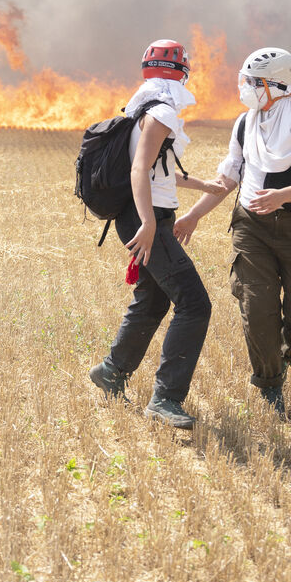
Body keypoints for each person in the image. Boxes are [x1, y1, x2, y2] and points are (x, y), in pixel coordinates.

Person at [173, 47, 291, 418]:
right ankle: (270, 381)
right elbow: (228, 179)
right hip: (251, 227)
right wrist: (194, 215)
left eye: (253, 82)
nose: (245, 88)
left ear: (276, 85)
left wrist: (280, 197)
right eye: (245, 80)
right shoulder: (245, 124)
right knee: (256, 306)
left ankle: (287, 352)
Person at [87, 39, 226, 430]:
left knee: (153, 300)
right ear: (180, 73)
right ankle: (166, 399)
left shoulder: (142, 106)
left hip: (145, 214)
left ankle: (111, 371)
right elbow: (139, 169)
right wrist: (148, 224)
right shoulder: (162, 110)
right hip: (146, 218)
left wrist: (202, 185)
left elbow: (156, 170)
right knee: (194, 303)